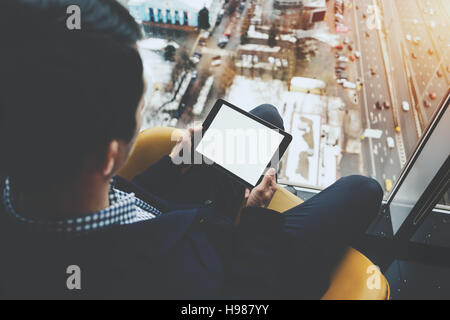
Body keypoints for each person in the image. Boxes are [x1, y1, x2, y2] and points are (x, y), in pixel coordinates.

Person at [0, 0, 383, 299]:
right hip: (229, 257)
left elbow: (123, 198)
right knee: (363, 191)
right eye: (138, 110)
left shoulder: (30, 186)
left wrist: (174, 162)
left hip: (180, 222)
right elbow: (242, 296)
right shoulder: (166, 280)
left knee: (263, 119)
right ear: (108, 157)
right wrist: (252, 220)